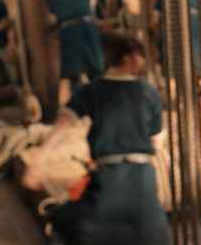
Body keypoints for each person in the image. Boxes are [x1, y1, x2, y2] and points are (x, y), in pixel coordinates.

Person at [47, 33, 171, 245]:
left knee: (63, 223)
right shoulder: (148, 92)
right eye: (140, 56)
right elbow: (157, 142)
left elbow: (65, 119)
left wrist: (43, 154)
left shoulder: (91, 89)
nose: (141, 63)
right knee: (154, 235)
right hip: (142, 179)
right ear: (129, 57)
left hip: (108, 178)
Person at [46, 0, 105, 104]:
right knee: (95, 70)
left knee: (70, 73)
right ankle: (102, 102)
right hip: (87, 28)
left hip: (68, 31)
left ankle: (71, 107)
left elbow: (54, 11)